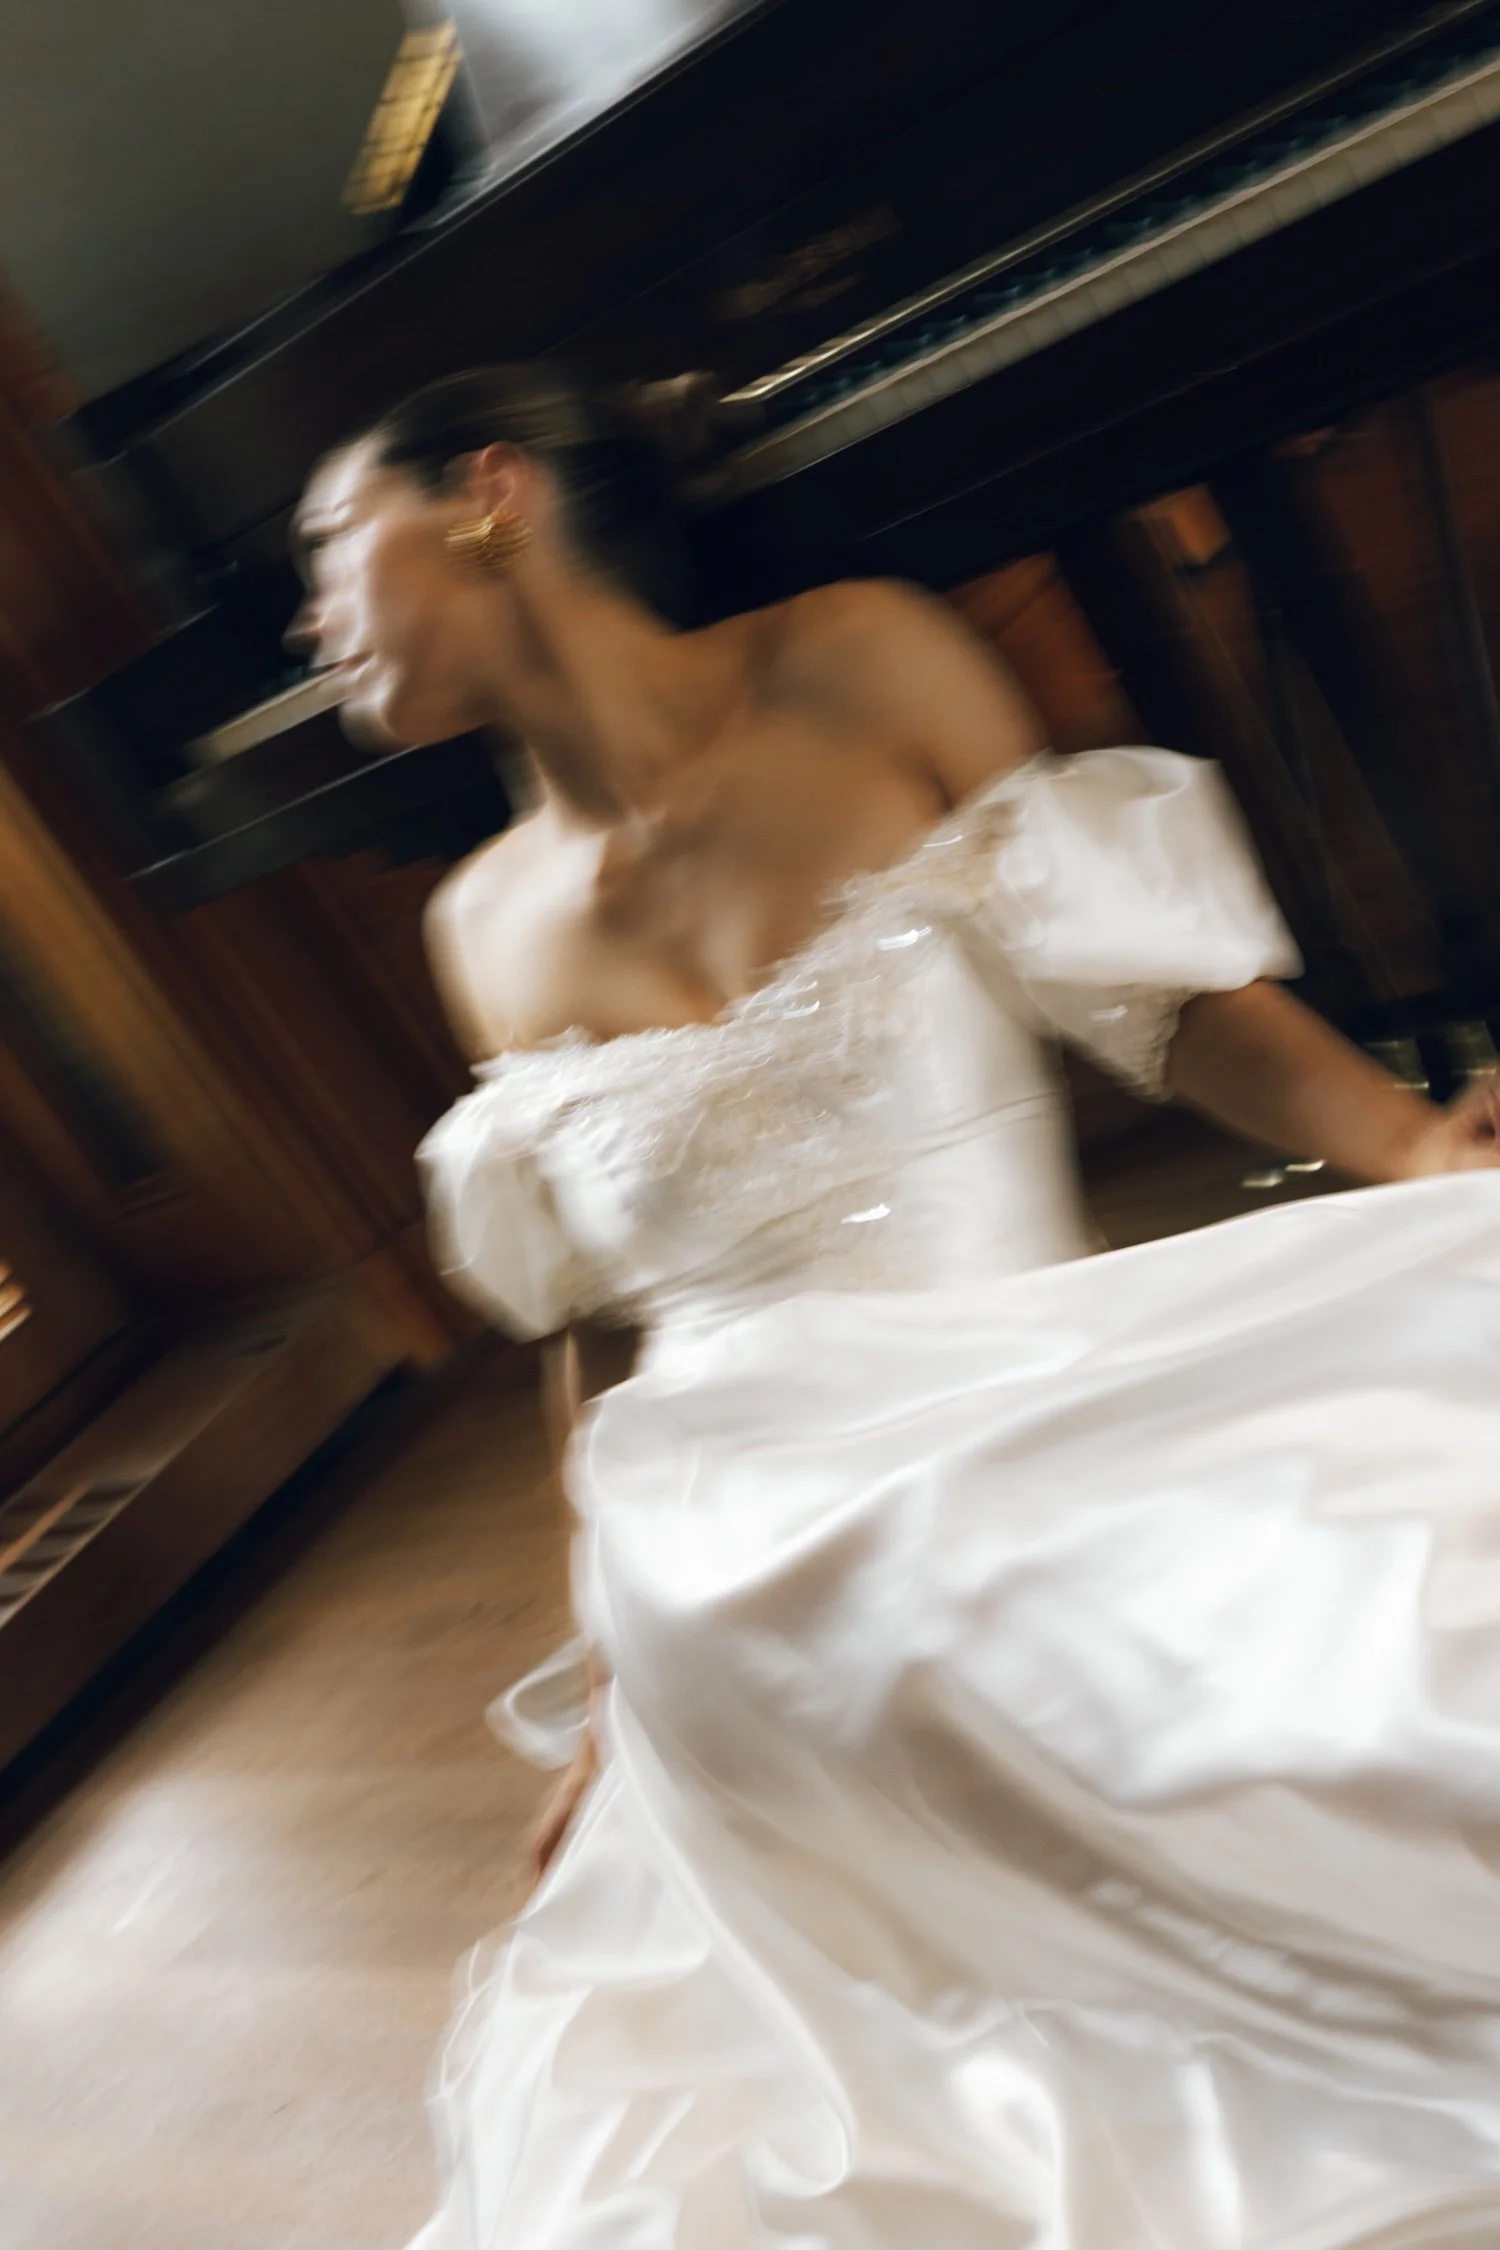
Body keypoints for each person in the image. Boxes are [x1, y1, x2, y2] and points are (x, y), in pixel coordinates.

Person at [292, 364, 1500, 2250]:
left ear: (488, 496)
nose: (309, 615)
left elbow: (1163, 999)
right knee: (851, 1626)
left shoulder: (860, 661)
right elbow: (592, 1346)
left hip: (1004, 1389)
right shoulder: (475, 926)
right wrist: (609, 1689)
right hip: (718, 1525)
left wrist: (1416, 1152)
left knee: (1373, 1649)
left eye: (322, 546)